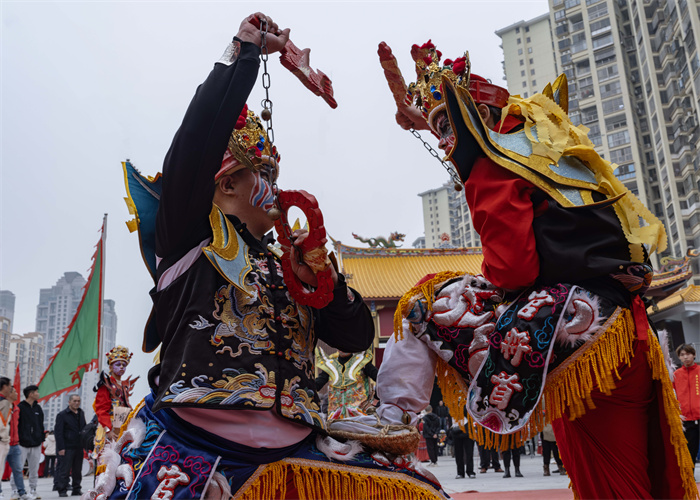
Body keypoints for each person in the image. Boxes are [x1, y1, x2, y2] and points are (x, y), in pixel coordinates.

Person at [90, 13, 446, 500]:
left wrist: (324, 283)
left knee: (419, 491)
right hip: (195, 446)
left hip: (298, 453)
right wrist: (245, 52)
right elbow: (196, 144)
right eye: (265, 174)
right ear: (227, 183)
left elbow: (357, 336)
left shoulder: (291, 261)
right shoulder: (189, 241)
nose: (277, 189)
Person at [331, 40, 695, 499]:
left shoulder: (490, 164)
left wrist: (490, 284)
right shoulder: (539, 145)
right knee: (630, 478)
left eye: (448, 124)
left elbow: (513, 271)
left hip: (577, 332)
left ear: (477, 117)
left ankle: (395, 419)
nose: (445, 141)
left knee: (423, 298)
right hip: (622, 329)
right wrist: (429, 117)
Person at [92, 345, 137, 465]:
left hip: (122, 427)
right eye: (118, 364)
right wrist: (108, 430)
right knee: (106, 463)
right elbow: (101, 409)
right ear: (111, 367)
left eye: (124, 365)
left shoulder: (124, 385)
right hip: (109, 426)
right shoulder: (106, 384)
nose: (122, 367)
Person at [315, 349, 377, 420]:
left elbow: (381, 379)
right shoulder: (330, 365)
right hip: (335, 418)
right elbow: (316, 385)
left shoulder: (362, 362)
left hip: (359, 417)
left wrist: (374, 401)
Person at [0, 378, 32, 500]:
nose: (16, 393)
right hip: (2, 442)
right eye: (12, 389)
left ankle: (21, 492)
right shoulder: (3, 404)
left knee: (18, 469)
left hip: (14, 444)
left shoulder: (17, 409)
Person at [673, 343, 700, 465]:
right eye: (682, 355)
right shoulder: (675, 375)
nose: (685, 357)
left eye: (688, 354)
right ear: (679, 357)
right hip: (686, 420)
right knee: (690, 453)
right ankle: (690, 481)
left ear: (694, 355)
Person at [55, 395, 86, 497]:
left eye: (78, 401)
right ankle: (62, 490)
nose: (76, 403)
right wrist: (61, 448)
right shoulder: (62, 415)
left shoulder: (81, 413)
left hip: (79, 446)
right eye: (74, 401)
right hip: (67, 447)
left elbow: (84, 429)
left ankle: (76, 489)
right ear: (69, 402)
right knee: (64, 470)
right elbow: (58, 433)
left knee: (77, 470)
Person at [17, 385, 44, 498]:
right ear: (31, 394)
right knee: (18, 468)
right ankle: (16, 491)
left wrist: (40, 437)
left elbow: (41, 424)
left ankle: (33, 489)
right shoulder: (20, 407)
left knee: (34, 469)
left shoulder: (38, 408)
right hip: (22, 443)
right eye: (36, 392)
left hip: (36, 443)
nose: (38, 394)